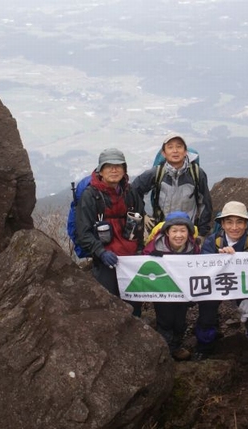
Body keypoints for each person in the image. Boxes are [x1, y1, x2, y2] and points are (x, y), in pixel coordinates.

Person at [195, 201, 248, 361]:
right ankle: (205, 346)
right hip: (218, 284)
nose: (234, 227)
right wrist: (220, 260)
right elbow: (204, 270)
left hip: (246, 286)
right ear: (222, 224)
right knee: (206, 313)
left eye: (239, 222)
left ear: (246, 224)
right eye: (229, 222)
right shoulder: (212, 242)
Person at [75, 148, 144, 317]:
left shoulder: (130, 193)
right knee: (109, 307)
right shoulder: (91, 196)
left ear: (124, 170)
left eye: (118, 166)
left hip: (131, 260)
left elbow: (139, 224)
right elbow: (83, 233)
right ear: (100, 170)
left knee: (134, 306)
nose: (114, 170)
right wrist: (101, 252)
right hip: (106, 261)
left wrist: (140, 250)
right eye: (109, 166)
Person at [131, 133, 213, 240]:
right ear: (164, 153)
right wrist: (142, 214)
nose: (175, 151)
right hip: (162, 231)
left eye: (179, 146)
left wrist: (201, 234)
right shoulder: (156, 173)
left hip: (188, 232)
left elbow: (205, 205)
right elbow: (133, 191)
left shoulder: (196, 174)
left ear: (185, 152)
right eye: (170, 147)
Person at [143, 211, 200, 361]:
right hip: (162, 290)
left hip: (182, 291)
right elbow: (143, 264)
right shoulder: (155, 245)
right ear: (167, 232)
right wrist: (151, 258)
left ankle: (176, 345)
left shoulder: (193, 247)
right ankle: (166, 348)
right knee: (165, 319)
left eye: (183, 231)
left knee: (180, 320)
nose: (178, 235)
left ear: (189, 232)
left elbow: (199, 269)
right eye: (174, 231)